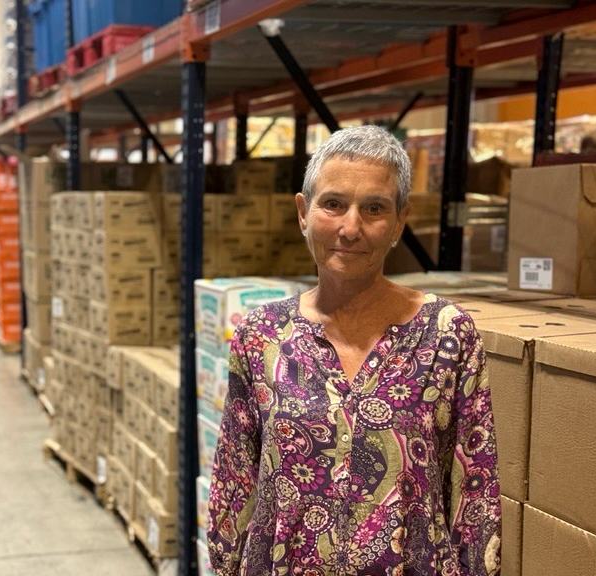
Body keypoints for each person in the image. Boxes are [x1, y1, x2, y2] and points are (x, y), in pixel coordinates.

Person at [207, 125, 500, 576]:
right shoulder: (262, 335)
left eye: (374, 208)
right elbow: (234, 480)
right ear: (304, 212)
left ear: (400, 221)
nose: (351, 227)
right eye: (334, 204)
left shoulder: (447, 335)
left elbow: (475, 496)